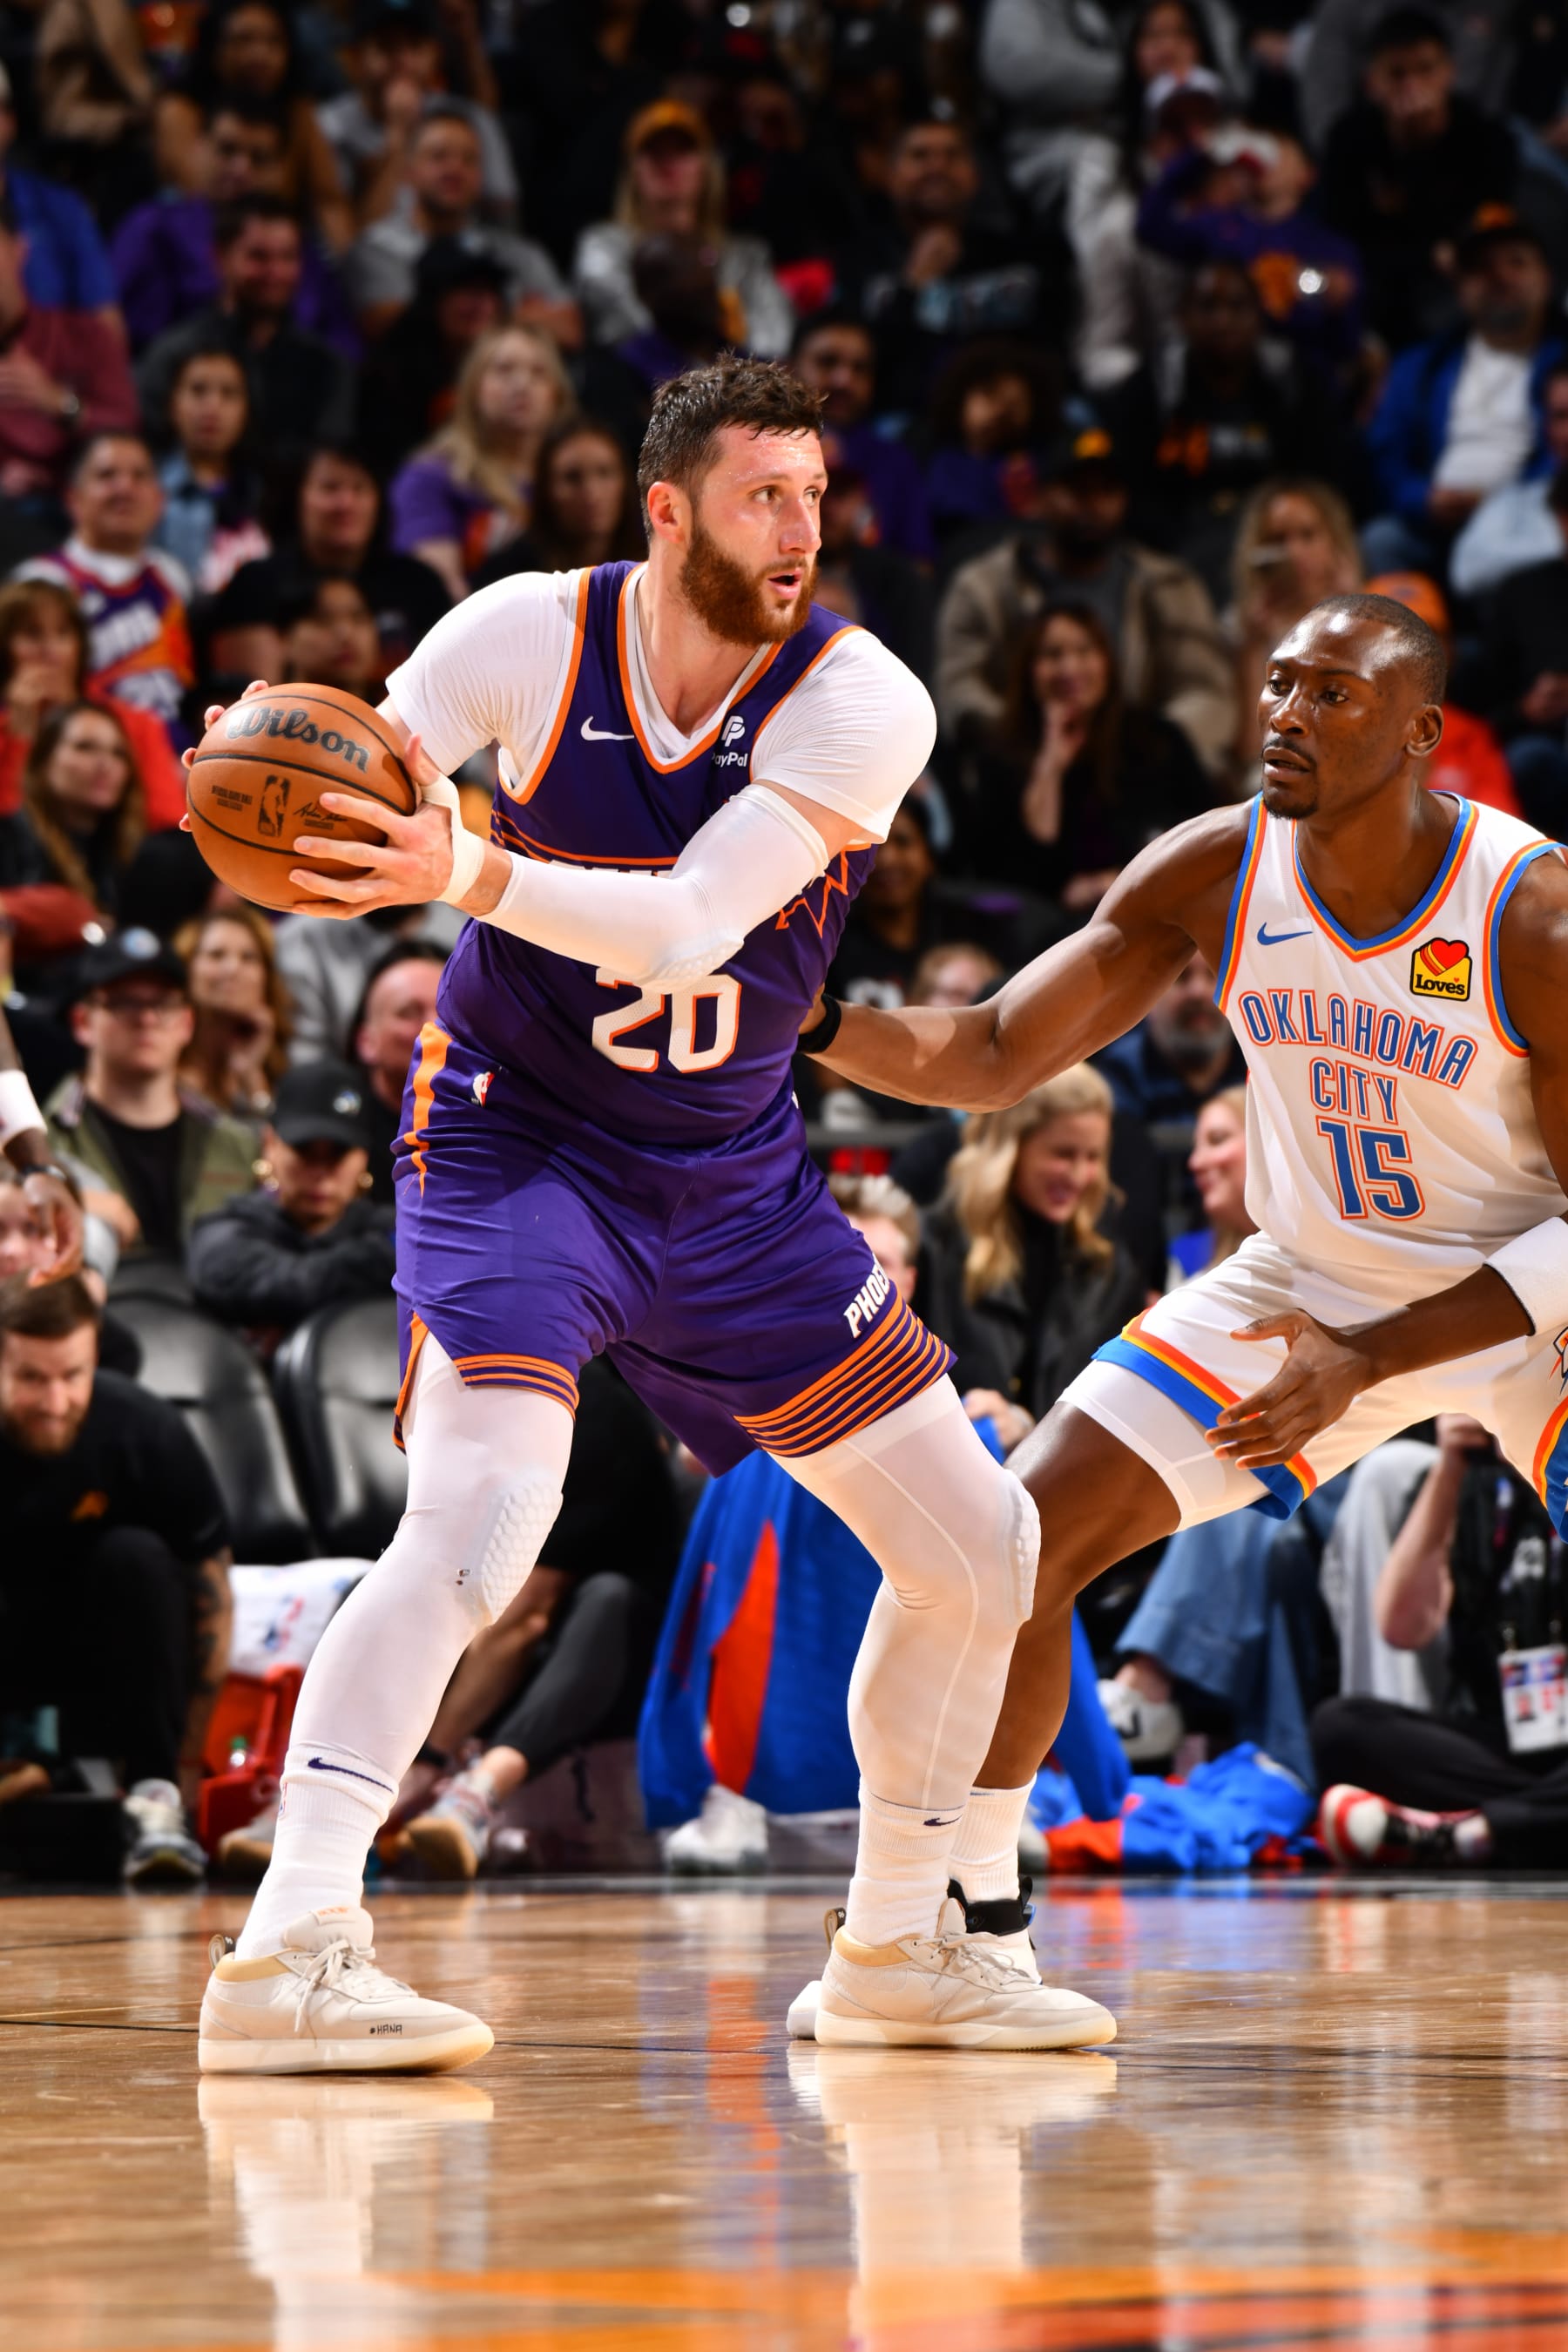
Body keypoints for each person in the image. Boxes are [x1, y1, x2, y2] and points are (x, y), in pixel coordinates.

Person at [197, 355, 1116, 2069]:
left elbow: (692, 919)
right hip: (515, 1136)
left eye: (820, 499)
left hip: (731, 1176)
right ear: (670, 506)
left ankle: (898, 1950)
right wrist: (272, 778)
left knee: (979, 1549)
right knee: (484, 1520)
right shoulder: (519, 637)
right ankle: (289, 1945)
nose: (802, 532)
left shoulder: (865, 699)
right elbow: (366, 790)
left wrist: (463, 870)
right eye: (768, 496)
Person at [787, 588, 1568, 2027]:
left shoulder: (1531, 913)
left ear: (1420, 736)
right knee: (1012, 1545)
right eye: (1277, 686)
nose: (1286, 717)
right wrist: (815, 1020)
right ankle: (975, 1928)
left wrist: (1371, 1363)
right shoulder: (1220, 869)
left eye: (1331, 697)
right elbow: (998, 1048)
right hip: (1302, 1285)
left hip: (1520, 1299)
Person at [382, 1355, 682, 1877]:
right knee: (381, 1590)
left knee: (606, 1603)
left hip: (631, 1648)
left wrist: (427, 1757)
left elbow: (524, 1618)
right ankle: (320, 1797)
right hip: (522, 1627)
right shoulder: (463, 1408)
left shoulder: (592, 1416)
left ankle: (475, 1795)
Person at [0, 1274, 230, 1883]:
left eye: (71, 1376)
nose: (55, 1402)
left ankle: (153, 1799)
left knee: (140, 1557)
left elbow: (213, 1600)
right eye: (31, 1379)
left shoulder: (143, 1427)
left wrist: (185, 1767)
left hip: (100, 1659)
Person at [1314, 1416, 1568, 1869]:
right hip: (1507, 1744)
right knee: (1341, 1728)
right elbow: (1403, 1629)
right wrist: (1449, 1465)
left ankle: (1471, 1831)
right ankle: (1530, 1823)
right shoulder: (1475, 1488)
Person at [935, 425, 1234, 779]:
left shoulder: (1170, 585)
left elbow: (1206, 691)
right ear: (1043, 495)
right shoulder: (984, 585)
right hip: (1019, 770)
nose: (1093, 504)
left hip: (1140, 775)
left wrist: (1146, 747)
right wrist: (1032, 742)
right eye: (1077, 490)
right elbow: (957, 689)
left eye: (1107, 491)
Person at [1105, 260, 1358, 611]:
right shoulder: (1152, 387)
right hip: (1177, 543)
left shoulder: (1294, 380)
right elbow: (1130, 487)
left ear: (1259, 316)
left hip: (1274, 537)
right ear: (1182, 317)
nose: (1223, 321)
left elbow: (1324, 478)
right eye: (1208, 307)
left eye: (1237, 307)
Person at [918, 1067, 1146, 1456]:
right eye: (1063, 1154)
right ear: (1013, 1144)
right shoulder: (934, 1248)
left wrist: (1025, 1426)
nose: (1079, 1175)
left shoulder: (1109, 1269)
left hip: (1065, 1488)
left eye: (1092, 1157)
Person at [969, 600, 1214, 917]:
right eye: (1052, 655)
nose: (1069, 668)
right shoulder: (999, 755)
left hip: (1152, 906)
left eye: (1085, 652)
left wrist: (1116, 880)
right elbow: (1010, 872)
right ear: (1029, 669)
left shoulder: (1156, 740)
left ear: (1107, 662)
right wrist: (1050, 765)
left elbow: (1200, 834)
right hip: (1044, 926)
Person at [1364, 212, 1566, 580]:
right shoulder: (1421, 364)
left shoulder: (1562, 360)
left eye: (1517, 262)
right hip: (1431, 525)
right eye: (1481, 268)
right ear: (1460, 288)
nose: (1500, 277)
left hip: (1531, 519)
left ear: (1547, 278)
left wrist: (1506, 503)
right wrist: (1422, 499)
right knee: (1381, 541)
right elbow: (1386, 451)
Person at [45, 932, 256, 1267]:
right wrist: (61, 1200)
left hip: (217, 1315)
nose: (146, 1019)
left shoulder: (239, 1145)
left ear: (187, 1023)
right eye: (123, 1003)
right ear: (82, 1022)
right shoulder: (36, 1144)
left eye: (164, 1004)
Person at [1318, 6, 1517, 352]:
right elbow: (1338, 227)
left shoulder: (1486, 138)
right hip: (1373, 283)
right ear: (1372, 82)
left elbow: (1488, 222)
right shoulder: (1349, 137)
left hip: (1452, 286)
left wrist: (1422, 152)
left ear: (1449, 72)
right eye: (1396, 74)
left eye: (1426, 70)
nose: (1412, 86)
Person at [111, 95, 359, 358]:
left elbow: (342, 348)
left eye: (259, 158)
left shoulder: (293, 241)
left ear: (281, 170)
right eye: (227, 150)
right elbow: (118, 333)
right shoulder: (154, 227)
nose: (240, 169)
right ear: (198, 149)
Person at [836, 118, 1044, 421]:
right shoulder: (860, 259)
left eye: (952, 156)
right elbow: (862, 360)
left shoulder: (1015, 255)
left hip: (1008, 419)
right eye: (920, 156)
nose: (937, 167)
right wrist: (914, 282)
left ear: (974, 176)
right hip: (897, 422)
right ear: (891, 176)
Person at [136, 198, 357, 468]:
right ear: (219, 257)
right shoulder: (175, 354)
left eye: (287, 257)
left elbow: (330, 457)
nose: (275, 272)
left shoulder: (326, 367)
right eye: (259, 257)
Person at [207, 441, 449, 687]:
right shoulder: (256, 584)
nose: (346, 503)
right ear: (297, 497)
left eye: (359, 488)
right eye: (329, 488)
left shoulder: (418, 583)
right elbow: (250, 702)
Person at [189, 1059, 395, 1346]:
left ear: (363, 1155)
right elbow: (277, 1284)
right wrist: (381, 1261)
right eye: (305, 1151)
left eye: (338, 1154)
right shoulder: (226, 1230)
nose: (321, 1174)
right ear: (270, 1144)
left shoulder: (391, 1226)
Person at [573, 101, 792, 360]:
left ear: (707, 166)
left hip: (736, 391)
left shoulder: (747, 256)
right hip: (640, 388)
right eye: (653, 152)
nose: (668, 163)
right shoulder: (604, 246)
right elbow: (624, 326)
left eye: (682, 150)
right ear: (633, 170)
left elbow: (773, 341)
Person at [16, 434, 195, 744]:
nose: (124, 487)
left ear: (159, 500)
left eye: (139, 476)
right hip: (85, 754)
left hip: (175, 756)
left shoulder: (173, 576)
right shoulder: (42, 580)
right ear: (74, 499)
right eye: (106, 475)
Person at [347, 102, 574, 341]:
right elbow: (389, 329)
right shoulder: (376, 250)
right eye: (438, 156)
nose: (455, 168)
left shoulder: (516, 252)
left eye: (469, 160)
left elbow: (570, 330)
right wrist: (517, 313)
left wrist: (463, 316)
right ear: (408, 170)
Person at [389, 324, 576, 598]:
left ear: (557, 395)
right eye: (503, 370)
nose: (522, 384)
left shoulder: (577, 478)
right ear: (473, 389)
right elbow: (437, 593)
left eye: (539, 372)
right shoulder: (431, 477)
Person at [154, 0, 354, 254]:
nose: (260, 55)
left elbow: (329, 202)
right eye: (243, 40)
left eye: (274, 42)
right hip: (197, 248)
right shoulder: (180, 110)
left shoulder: (299, 111)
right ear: (215, 47)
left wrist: (349, 273)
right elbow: (201, 195)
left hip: (279, 254)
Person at [0, 577, 185, 827]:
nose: (50, 649)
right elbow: (9, 836)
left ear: (80, 646)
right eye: (32, 634)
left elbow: (167, 821)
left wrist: (71, 715)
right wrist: (20, 738)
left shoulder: (135, 724)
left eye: (63, 633)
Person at [320, 0, 517, 233]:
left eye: (415, 46)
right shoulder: (328, 127)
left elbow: (505, 220)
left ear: (435, 54)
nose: (402, 61)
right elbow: (355, 245)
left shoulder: (470, 119)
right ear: (355, 57)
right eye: (386, 46)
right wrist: (398, 135)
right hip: (383, 262)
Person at [0, 195, 137, 509]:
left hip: (76, 512)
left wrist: (61, 404)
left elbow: (127, 430)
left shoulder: (86, 337)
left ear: (19, 250)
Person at [1228, 477, 1362, 770]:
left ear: (1335, 543)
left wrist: (1356, 618)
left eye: (1307, 535)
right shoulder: (1237, 630)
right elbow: (1251, 749)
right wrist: (1253, 648)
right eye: (1278, 540)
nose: (1294, 552)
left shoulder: (1375, 623)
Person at [1364, 571, 1522, 818]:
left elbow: (1501, 832)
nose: (1411, 653)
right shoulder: (1336, 733)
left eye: (1427, 638)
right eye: (1394, 639)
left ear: (1449, 651)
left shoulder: (1471, 736)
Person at [788, 310, 934, 564]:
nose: (844, 380)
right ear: (789, 367)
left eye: (860, 369)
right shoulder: (758, 451)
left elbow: (919, 567)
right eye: (827, 362)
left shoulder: (897, 464)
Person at [0, 698, 146, 939]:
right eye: (85, 747)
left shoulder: (132, 852)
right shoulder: (8, 838)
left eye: (118, 753)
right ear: (43, 761)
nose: (105, 764)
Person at [150, 344, 269, 598]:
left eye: (228, 393)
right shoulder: (148, 488)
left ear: (246, 410)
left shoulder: (268, 490)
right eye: (198, 390)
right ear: (172, 404)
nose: (212, 407)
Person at [470, 416, 643, 588]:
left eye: (605, 473)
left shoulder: (652, 564)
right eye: (572, 478)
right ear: (546, 489)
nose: (592, 492)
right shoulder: (509, 578)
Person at [1450, 359, 1568, 604]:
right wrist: (1558, 549)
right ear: (1547, 429)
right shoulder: (1515, 504)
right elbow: (1466, 572)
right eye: (1561, 416)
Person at [1094, 948, 1246, 1128]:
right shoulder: (1119, 1075)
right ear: (1146, 994)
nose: (1198, 992)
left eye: (1213, 974)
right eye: (1181, 975)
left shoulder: (1259, 1070)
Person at [174, 905, 291, 1119]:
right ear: (187, 967)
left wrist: (251, 1076)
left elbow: (274, 1148)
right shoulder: (160, 1062)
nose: (232, 969)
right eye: (216, 955)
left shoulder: (285, 1063)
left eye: (248, 958)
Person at [350, 937, 444, 1200]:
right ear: (366, 1041)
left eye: (446, 1010)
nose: (434, 1026)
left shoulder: (493, 1121)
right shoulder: (337, 1130)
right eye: (409, 1012)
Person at [278, 575, 387, 704]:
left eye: (358, 618)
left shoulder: (395, 720)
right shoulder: (264, 718)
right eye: (323, 619)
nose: (345, 633)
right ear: (285, 638)